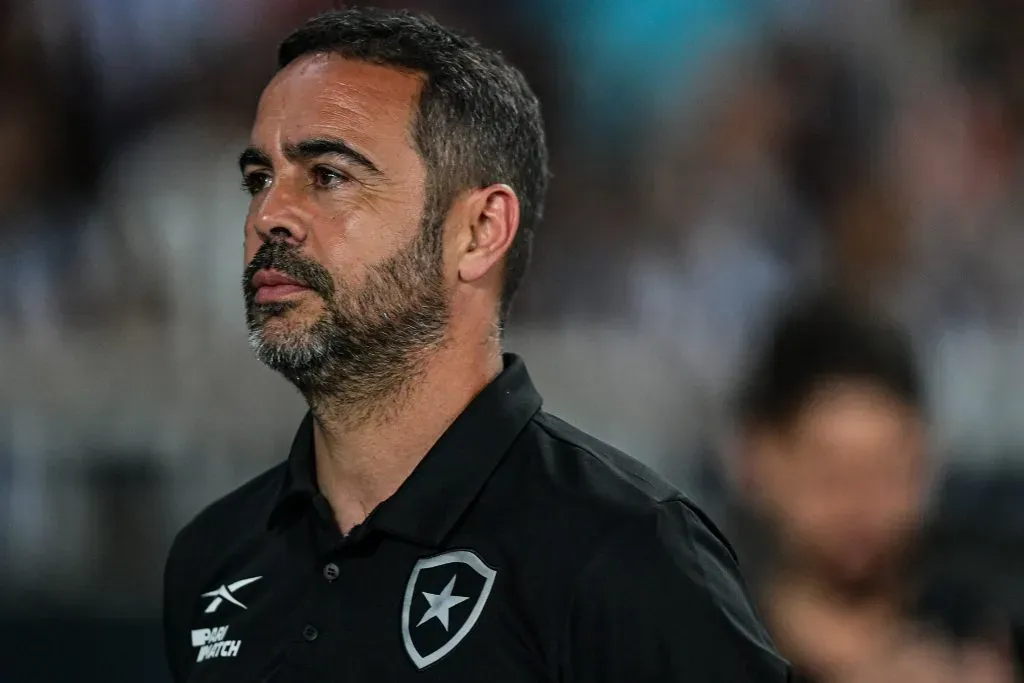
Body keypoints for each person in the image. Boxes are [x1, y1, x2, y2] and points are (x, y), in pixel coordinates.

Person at [162, 7, 789, 682]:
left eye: (329, 176)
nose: (268, 215)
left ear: (481, 231)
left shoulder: (625, 554)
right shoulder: (215, 557)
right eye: (259, 179)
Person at [731, 292, 1015, 683]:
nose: (860, 507)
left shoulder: (982, 631)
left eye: (888, 473)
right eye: (831, 478)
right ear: (760, 458)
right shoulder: (706, 640)